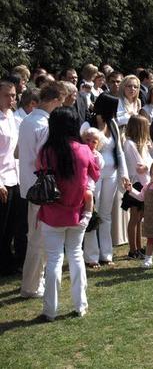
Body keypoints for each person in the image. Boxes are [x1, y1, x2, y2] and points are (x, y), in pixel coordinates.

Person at [37, 107, 100, 321]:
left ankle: (50, 310)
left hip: (52, 213)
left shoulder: (46, 151)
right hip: (78, 212)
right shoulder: (84, 150)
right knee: (76, 256)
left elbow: (39, 171)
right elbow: (95, 174)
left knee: (54, 261)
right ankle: (80, 305)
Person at [19, 81, 67, 298]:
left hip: (30, 185)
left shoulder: (27, 120)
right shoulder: (44, 125)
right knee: (39, 239)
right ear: (55, 100)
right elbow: (45, 158)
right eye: (61, 102)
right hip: (42, 188)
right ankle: (31, 285)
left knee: (37, 237)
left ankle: (34, 281)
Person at [81, 93, 130, 267]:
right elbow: (82, 150)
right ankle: (91, 256)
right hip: (93, 176)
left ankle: (106, 254)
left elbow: (119, 151)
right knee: (92, 213)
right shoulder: (88, 125)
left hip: (112, 174)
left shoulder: (112, 124)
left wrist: (124, 174)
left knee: (106, 214)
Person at [122, 115, 153, 259]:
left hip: (144, 182)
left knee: (140, 217)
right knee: (134, 217)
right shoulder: (129, 144)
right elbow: (139, 165)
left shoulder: (142, 144)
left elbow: (150, 162)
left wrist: (148, 167)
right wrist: (148, 167)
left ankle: (139, 247)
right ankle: (132, 250)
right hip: (136, 183)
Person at [0, 81, 20, 276]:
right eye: (6, 95)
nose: (11, 99)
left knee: (11, 224)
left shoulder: (12, 116)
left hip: (13, 176)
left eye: (13, 95)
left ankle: (7, 262)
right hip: (1, 179)